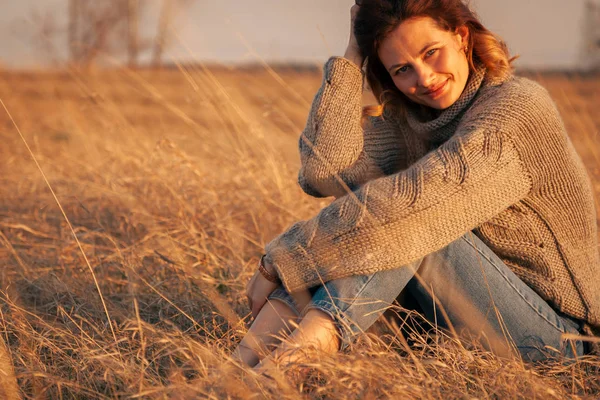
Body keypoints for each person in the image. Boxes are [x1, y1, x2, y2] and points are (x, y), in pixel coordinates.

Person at [234, 0, 600, 370]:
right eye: (402, 69)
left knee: (404, 226)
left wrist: (281, 259)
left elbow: (404, 210)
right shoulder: (409, 121)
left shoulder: (518, 108)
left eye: (431, 53)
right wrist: (353, 55)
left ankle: (282, 371)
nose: (423, 78)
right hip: (449, 323)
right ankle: (233, 373)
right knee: (361, 227)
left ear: (461, 36)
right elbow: (322, 170)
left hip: (560, 341)